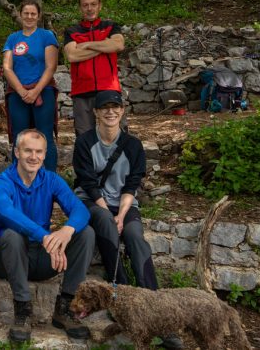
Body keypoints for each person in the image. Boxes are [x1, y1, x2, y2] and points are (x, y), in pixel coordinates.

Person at [71, 91, 182, 348]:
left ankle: (157, 310)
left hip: (124, 203)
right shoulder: (85, 143)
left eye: (115, 107)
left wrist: (121, 214)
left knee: (134, 237)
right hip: (91, 201)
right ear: (96, 113)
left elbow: (132, 185)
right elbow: (87, 182)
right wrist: (110, 214)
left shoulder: (133, 145)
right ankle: (122, 298)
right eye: (105, 108)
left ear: (122, 111)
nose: (110, 112)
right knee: (107, 226)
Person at [0, 129, 94, 343]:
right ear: (17, 152)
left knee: (86, 233)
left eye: (39, 152)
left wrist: (66, 231)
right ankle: (23, 311)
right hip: (8, 258)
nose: (33, 157)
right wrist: (46, 237)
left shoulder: (51, 179)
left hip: (41, 258)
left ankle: (65, 308)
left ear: (45, 155)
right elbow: (8, 213)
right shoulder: (1, 182)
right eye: (28, 150)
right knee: (12, 234)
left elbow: (81, 210)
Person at [2, 1, 60, 172]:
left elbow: (51, 66)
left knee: (45, 136)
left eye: (33, 13)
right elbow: (7, 67)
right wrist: (21, 91)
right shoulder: (13, 38)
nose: (29, 16)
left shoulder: (47, 36)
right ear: (20, 15)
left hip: (43, 91)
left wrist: (35, 91)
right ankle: (19, 179)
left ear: (38, 15)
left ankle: (49, 180)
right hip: (17, 93)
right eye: (26, 13)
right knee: (20, 138)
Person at [63, 0, 126, 136]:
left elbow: (118, 45)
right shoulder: (72, 30)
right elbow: (72, 55)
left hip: (109, 87)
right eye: (85, 5)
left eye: (93, 4)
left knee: (116, 133)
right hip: (82, 90)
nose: (89, 8)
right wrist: (104, 46)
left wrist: (86, 44)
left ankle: (120, 160)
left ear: (100, 6)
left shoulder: (110, 26)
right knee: (84, 135)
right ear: (80, 8)